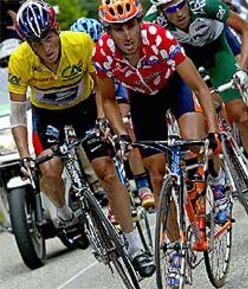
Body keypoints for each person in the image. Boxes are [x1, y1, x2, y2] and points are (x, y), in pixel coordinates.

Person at [8, 0, 155, 277]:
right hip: (48, 115)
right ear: (26, 42)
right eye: (36, 43)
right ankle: (65, 215)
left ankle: (136, 248)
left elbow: (102, 86)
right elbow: (17, 115)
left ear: (57, 29)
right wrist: (24, 154)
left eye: (49, 38)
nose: (46, 48)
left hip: (85, 107)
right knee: (48, 169)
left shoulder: (81, 43)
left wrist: (101, 118)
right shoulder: (19, 60)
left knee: (106, 171)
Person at [93, 0, 219, 286]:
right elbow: (109, 99)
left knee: (193, 144)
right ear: (108, 32)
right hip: (142, 100)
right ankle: (175, 248)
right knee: (158, 175)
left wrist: (211, 130)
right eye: (118, 29)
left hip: (175, 87)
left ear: (140, 23)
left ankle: (215, 182)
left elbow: (198, 86)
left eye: (131, 26)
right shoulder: (102, 53)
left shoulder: (159, 38)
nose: (126, 35)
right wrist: (122, 135)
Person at [144, 0, 248, 213]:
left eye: (181, 4)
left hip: (216, 51)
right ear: (161, 10)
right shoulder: (152, 23)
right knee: (198, 131)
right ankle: (218, 183)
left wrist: (243, 70)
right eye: (171, 9)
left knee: (239, 113)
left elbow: (246, 28)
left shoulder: (204, 4)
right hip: (185, 62)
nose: (179, 12)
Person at [70, 17, 155, 210]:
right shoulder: (76, 62)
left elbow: (119, 93)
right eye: (87, 46)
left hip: (116, 94)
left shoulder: (109, 55)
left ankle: (142, 185)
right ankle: (108, 194)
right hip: (90, 104)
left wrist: (118, 119)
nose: (91, 51)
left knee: (124, 124)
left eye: (95, 44)